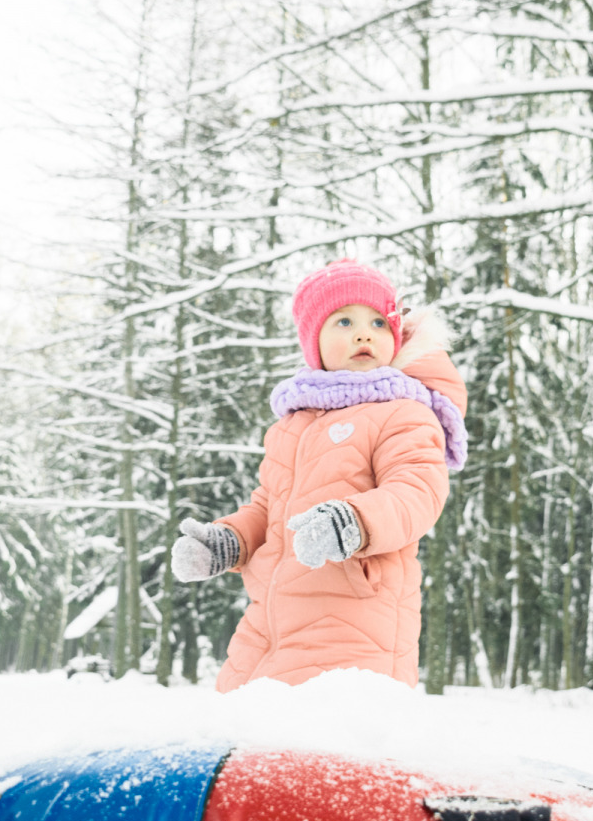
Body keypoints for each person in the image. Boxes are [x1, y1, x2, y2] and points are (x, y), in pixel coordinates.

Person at [171, 258, 468, 692]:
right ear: (314, 342)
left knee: (316, 745)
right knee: (241, 738)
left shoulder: (404, 413)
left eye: (378, 324)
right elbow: (268, 508)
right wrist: (229, 541)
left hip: (356, 626)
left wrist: (355, 521)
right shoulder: (293, 425)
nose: (364, 333)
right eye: (344, 320)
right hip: (266, 626)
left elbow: (417, 491)